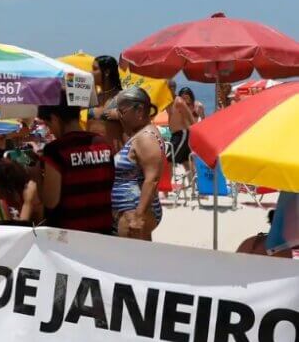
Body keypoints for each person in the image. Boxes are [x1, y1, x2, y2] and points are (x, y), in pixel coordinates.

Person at [37, 102, 115, 234]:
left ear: (55, 119)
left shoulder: (56, 149)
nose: (50, 131)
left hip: (71, 236)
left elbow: (51, 201)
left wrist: (36, 177)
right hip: (103, 231)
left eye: (48, 125)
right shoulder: (103, 143)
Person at [111, 87, 165, 240]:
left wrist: (138, 216)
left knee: (130, 261)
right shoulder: (141, 134)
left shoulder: (146, 138)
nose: (119, 116)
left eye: (122, 112)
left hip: (134, 212)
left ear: (139, 110)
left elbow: (152, 178)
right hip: (132, 210)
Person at [0, 159, 40, 223]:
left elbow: (23, 222)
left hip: (39, 226)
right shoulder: (3, 190)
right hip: (24, 223)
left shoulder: (30, 189)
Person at [87, 55, 124, 152]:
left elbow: (137, 123)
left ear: (107, 72)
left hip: (114, 157)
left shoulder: (121, 98)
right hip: (93, 156)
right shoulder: (92, 98)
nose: (91, 73)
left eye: (95, 69)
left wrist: (119, 115)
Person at [167, 81, 197, 168]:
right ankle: (193, 181)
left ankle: (167, 181)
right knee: (185, 161)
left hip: (181, 134)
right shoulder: (168, 102)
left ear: (172, 89)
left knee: (169, 159)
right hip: (175, 134)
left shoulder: (179, 102)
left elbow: (190, 117)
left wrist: (195, 135)